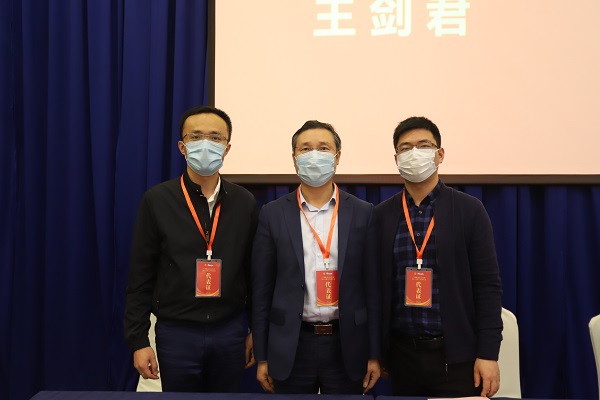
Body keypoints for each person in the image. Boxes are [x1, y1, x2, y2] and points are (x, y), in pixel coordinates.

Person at [124, 105, 258, 392]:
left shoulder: (244, 202)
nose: (206, 144)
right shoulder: (157, 200)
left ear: (227, 148)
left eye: (215, 137)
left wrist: (256, 331)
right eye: (196, 137)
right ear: (182, 147)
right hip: (176, 333)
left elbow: (254, 274)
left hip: (230, 331)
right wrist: (138, 341)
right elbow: (140, 276)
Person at [375, 116, 503, 398]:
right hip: (401, 359)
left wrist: (488, 353)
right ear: (396, 159)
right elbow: (376, 289)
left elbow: (488, 287)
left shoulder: (470, 210)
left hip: (457, 359)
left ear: (440, 154)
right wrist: (377, 351)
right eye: (405, 148)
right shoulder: (381, 215)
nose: (414, 153)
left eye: (423, 146)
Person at [251, 120, 382, 394]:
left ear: (337, 157)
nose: (314, 155)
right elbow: (261, 291)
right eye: (305, 148)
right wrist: (262, 356)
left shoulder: (364, 212)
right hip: (292, 345)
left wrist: (374, 354)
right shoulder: (272, 213)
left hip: (347, 345)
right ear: (294, 158)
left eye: (323, 148)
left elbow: (373, 289)